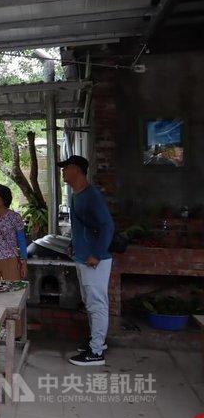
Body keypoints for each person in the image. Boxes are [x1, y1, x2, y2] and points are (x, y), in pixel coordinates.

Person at [59, 155, 114, 367]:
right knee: (89, 302)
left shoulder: (92, 196)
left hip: (95, 260)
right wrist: (73, 243)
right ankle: (96, 341)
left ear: (77, 170)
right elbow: (79, 226)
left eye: (66, 168)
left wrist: (97, 254)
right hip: (82, 257)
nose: (63, 172)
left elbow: (107, 226)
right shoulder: (76, 196)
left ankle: (96, 351)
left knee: (97, 303)